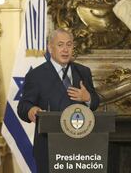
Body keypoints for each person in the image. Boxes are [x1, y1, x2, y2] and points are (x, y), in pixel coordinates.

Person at [17, 28, 100, 173]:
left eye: (69, 45)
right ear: (50, 48)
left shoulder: (83, 71)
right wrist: (31, 111)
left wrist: (87, 98)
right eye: (60, 45)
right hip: (49, 147)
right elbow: (23, 105)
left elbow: (95, 103)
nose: (65, 50)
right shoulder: (36, 75)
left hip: (80, 148)